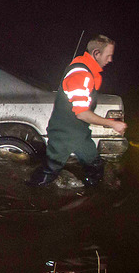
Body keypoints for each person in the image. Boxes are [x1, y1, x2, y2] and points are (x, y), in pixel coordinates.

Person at [28, 34, 127, 187]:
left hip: (78, 133)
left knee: (95, 166)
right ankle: (29, 196)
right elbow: (82, 113)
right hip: (65, 134)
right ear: (96, 53)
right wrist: (112, 124)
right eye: (108, 56)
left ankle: (90, 197)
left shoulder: (84, 69)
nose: (110, 60)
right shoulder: (81, 75)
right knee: (50, 170)